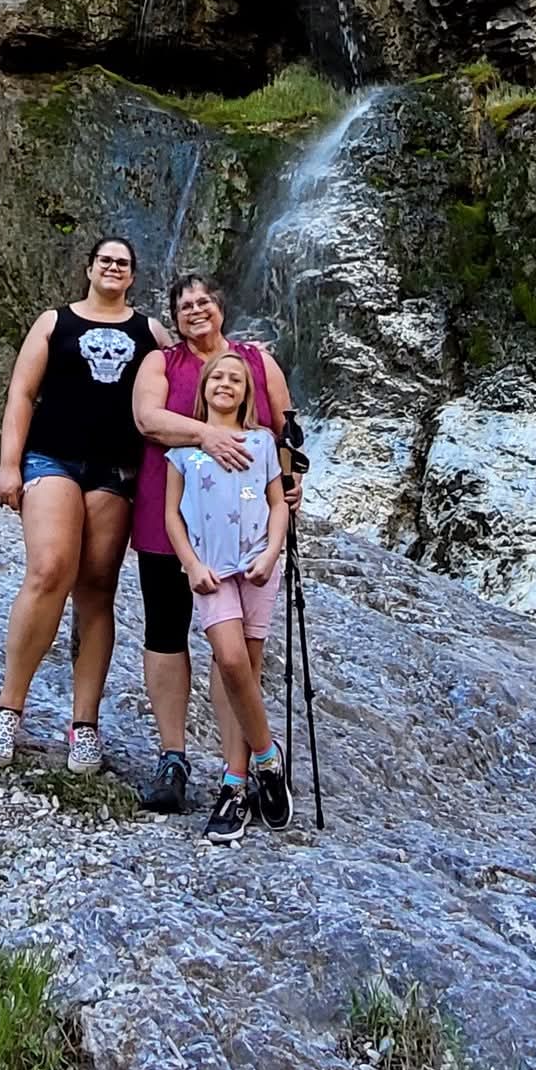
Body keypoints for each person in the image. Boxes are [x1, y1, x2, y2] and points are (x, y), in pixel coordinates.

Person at [0, 235, 168, 772]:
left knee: (97, 589)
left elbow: (180, 392)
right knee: (49, 569)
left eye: (123, 263)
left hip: (116, 470)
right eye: (105, 260)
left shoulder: (149, 332)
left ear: (132, 276)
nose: (113, 268)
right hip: (52, 458)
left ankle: (85, 724)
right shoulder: (54, 323)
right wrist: (9, 463)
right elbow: (21, 392)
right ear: (89, 268)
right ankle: (8, 709)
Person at [129, 272, 296, 814]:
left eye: (204, 302)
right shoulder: (163, 363)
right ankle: (173, 756)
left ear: (221, 308)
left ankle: (238, 772)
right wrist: (205, 434)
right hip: (169, 518)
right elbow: (147, 419)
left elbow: (284, 427)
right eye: (184, 305)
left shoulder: (257, 361)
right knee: (165, 630)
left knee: (236, 655)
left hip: (247, 533)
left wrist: (291, 488)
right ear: (174, 317)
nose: (195, 311)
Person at [164, 351, 292, 840]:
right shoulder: (184, 451)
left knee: (248, 674)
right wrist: (191, 564)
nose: (225, 383)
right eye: (217, 376)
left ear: (247, 392)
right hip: (212, 573)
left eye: (235, 378)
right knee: (232, 662)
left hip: (258, 567)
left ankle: (235, 785)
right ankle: (267, 756)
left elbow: (278, 506)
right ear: (203, 388)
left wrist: (272, 553)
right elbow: (173, 514)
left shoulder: (262, 443)